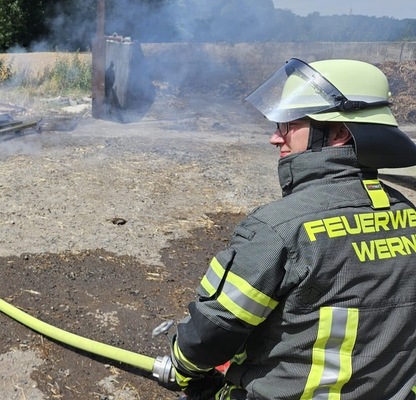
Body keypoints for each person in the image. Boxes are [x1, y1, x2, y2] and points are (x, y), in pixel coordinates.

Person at [160, 58, 416, 399]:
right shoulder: (408, 213)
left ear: (339, 132)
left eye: (290, 124)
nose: (274, 137)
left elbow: (213, 330)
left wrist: (181, 368)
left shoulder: (278, 229)